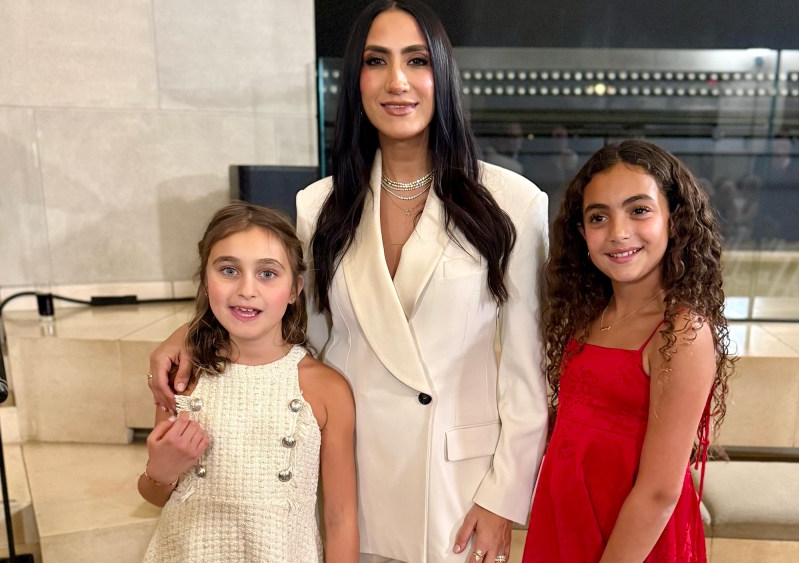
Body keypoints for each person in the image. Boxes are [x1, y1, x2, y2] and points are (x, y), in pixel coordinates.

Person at [148, 2, 550, 562]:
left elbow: (528, 372)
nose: (397, 81)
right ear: (355, 81)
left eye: (416, 60)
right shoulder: (319, 205)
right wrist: (192, 334)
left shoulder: (513, 203)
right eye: (375, 61)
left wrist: (503, 499)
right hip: (353, 476)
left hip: (457, 487)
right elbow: (289, 322)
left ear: (442, 73)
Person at [522, 140, 735, 562]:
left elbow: (659, 492)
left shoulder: (680, 332)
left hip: (632, 541)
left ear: (674, 219)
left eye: (639, 210)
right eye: (598, 217)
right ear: (581, 233)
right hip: (567, 519)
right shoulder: (588, 316)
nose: (618, 232)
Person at [139, 203, 358, 562]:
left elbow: (341, 518)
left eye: (267, 273)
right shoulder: (184, 377)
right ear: (205, 280)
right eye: (228, 270)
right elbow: (154, 494)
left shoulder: (326, 390)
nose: (246, 289)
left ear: (295, 289)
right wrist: (161, 470)